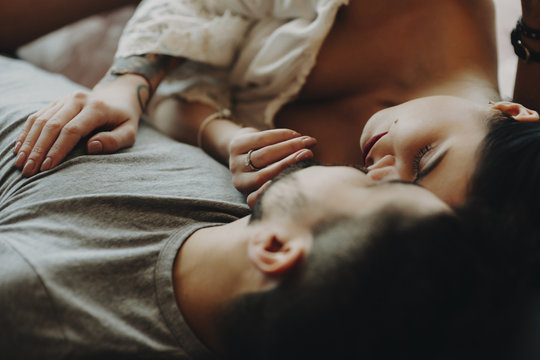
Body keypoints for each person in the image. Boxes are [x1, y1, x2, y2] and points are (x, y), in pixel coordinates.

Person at [0, 54, 480, 360]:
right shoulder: (255, 203)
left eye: (378, 192)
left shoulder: (32, 295)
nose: (366, 170)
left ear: (275, 247)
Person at [11, 0, 537, 208]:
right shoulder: (430, 15)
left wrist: (227, 139)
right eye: (425, 159)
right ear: (510, 112)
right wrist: (127, 80)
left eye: (398, 192)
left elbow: (174, 108)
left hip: (78, 66)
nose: (380, 171)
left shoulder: (346, 181)